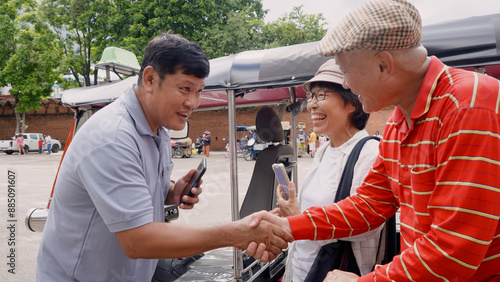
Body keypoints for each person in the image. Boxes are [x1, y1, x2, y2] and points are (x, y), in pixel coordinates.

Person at [247, 0, 500, 281]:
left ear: (383, 65)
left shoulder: (467, 106)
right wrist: (287, 226)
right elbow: (368, 205)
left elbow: (456, 249)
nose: (345, 84)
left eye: (344, 70)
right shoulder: (398, 123)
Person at [36, 33, 292, 282]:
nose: (193, 102)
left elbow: (137, 187)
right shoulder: (112, 138)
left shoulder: (158, 128)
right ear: (149, 79)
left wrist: (171, 191)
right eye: (185, 88)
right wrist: (236, 233)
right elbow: (138, 240)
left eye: (199, 91)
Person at [274, 59, 381, 282]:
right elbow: (315, 211)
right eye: (311, 96)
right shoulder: (325, 149)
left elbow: (367, 223)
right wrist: (290, 216)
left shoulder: (370, 152)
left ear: (352, 101)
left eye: (322, 94)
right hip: (301, 271)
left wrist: (297, 219)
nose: (312, 105)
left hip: (334, 274)